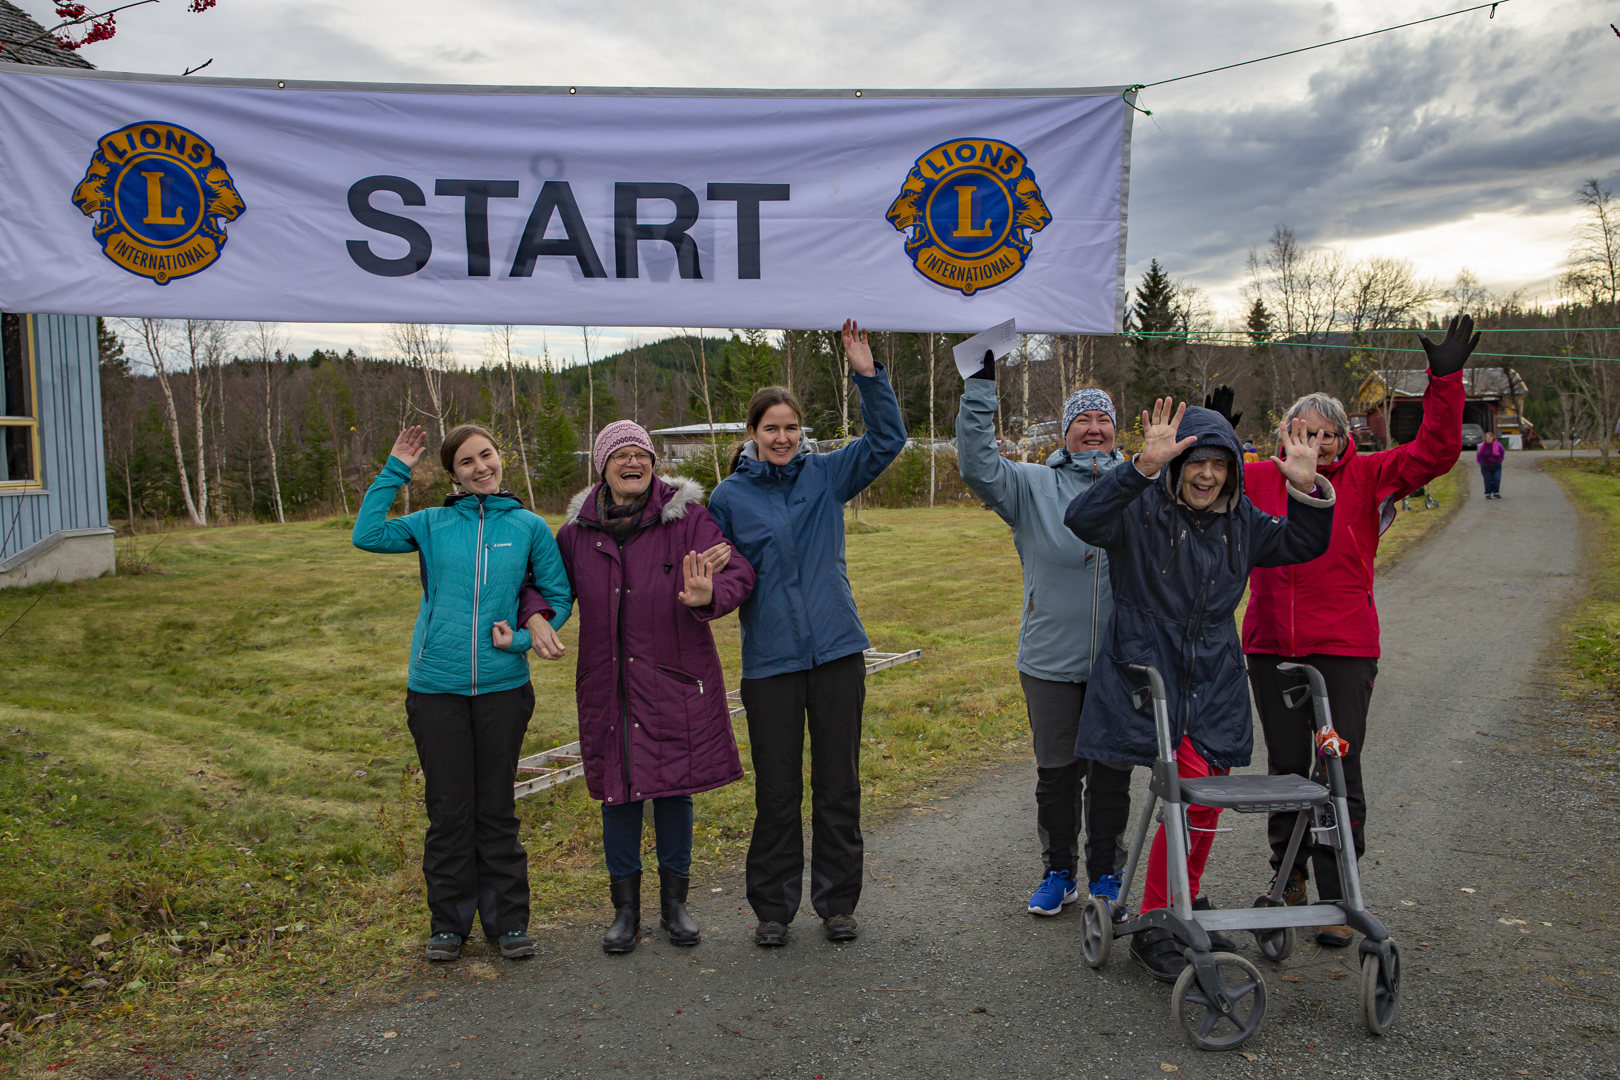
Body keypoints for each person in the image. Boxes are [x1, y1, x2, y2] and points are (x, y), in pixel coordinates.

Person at [1064, 399, 1335, 982]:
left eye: (1220, 464)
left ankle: (1172, 902)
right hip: (1146, 672)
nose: (1207, 475)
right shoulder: (1139, 512)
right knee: (1176, 798)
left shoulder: (1244, 524)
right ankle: (1162, 914)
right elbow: (1082, 520)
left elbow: (1303, 544)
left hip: (1213, 676)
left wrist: (1309, 489)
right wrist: (1138, 467)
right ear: (1176, 466)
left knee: (1202, 797)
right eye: (1195, 463)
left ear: (1235, 470)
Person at [1238, 315, 1476, 947]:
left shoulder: (1369, 477)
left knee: (1337, 766)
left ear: (1342, 440)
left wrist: (1444, 380)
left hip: (1343, 647)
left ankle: (1339, 891)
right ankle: (1286, 879)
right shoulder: (1258, 478)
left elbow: (1437, 452)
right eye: (1301, 432)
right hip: (1269, 645)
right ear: (1284, 435)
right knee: (1288, 765)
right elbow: (1195, 483)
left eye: (1324, 434)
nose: (1312, 443)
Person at [519, 421, 755, 954]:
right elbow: (545, 586)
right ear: (601, 466)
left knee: (674, 790)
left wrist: (707, 594)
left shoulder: (688, 519)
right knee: (616, 793)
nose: (633, 463)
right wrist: (535, 615)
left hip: (672, 678)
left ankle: (676, 905)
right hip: (609, 681)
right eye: (620, 455)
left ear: (653, 461)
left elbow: (738, 571)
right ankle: (625, 911)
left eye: (641, 454)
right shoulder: (577, 533)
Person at [707, 318, 906, 947]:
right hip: (770, 662)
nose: (784, 437)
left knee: (838, 784)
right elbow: (726, 579)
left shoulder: (826, 475)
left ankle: (838, 902)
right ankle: (772, 909)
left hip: (837, 651)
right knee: (777, 791)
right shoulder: (728, 499)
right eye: (772, 428)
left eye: (792, 428)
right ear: (753, 434)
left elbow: (888, 439)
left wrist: (867, 374)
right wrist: (704, 588)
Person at [353, 423, 572, 962]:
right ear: (452, 474)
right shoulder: (430, 523)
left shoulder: (528, 527)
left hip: (503, 688)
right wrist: (395, 468)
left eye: (488, 455)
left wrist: (523, 636)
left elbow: (558, 595)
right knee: (449, 810)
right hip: (436, 689)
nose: (481, 467)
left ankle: (509, 923)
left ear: (502, 459)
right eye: (467, 462)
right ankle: (449, 925)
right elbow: (367, 534)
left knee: (496, 809)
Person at [955, 358, 1132, 916]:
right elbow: (978, 464)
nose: (1094, 428)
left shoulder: (1139, 486)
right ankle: (1058, 872)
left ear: (1115, 429)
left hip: (1120, 661)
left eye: (1103, 418)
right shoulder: (1033, 486)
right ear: (1065, 432)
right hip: (1050, 661)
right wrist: (981, 388)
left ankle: (1106, 873)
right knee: (1056, 775)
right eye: (1083, 420)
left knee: (1110, 776)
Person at [1477, 428, 1505, 499]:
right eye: (1487, 437)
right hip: (1485, 465)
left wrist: (1500, 460)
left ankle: (1496, 492)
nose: (1488, 438)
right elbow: (1478, 455)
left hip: (1496, 465)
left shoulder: (1498, 445)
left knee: (1497, 478)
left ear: (1493, 438)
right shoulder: (1481, 446)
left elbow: (1502, 453)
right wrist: (1480, 462)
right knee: (1487, 479)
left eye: (1490, 437)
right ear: (1485, 438)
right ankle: (1488, 493)